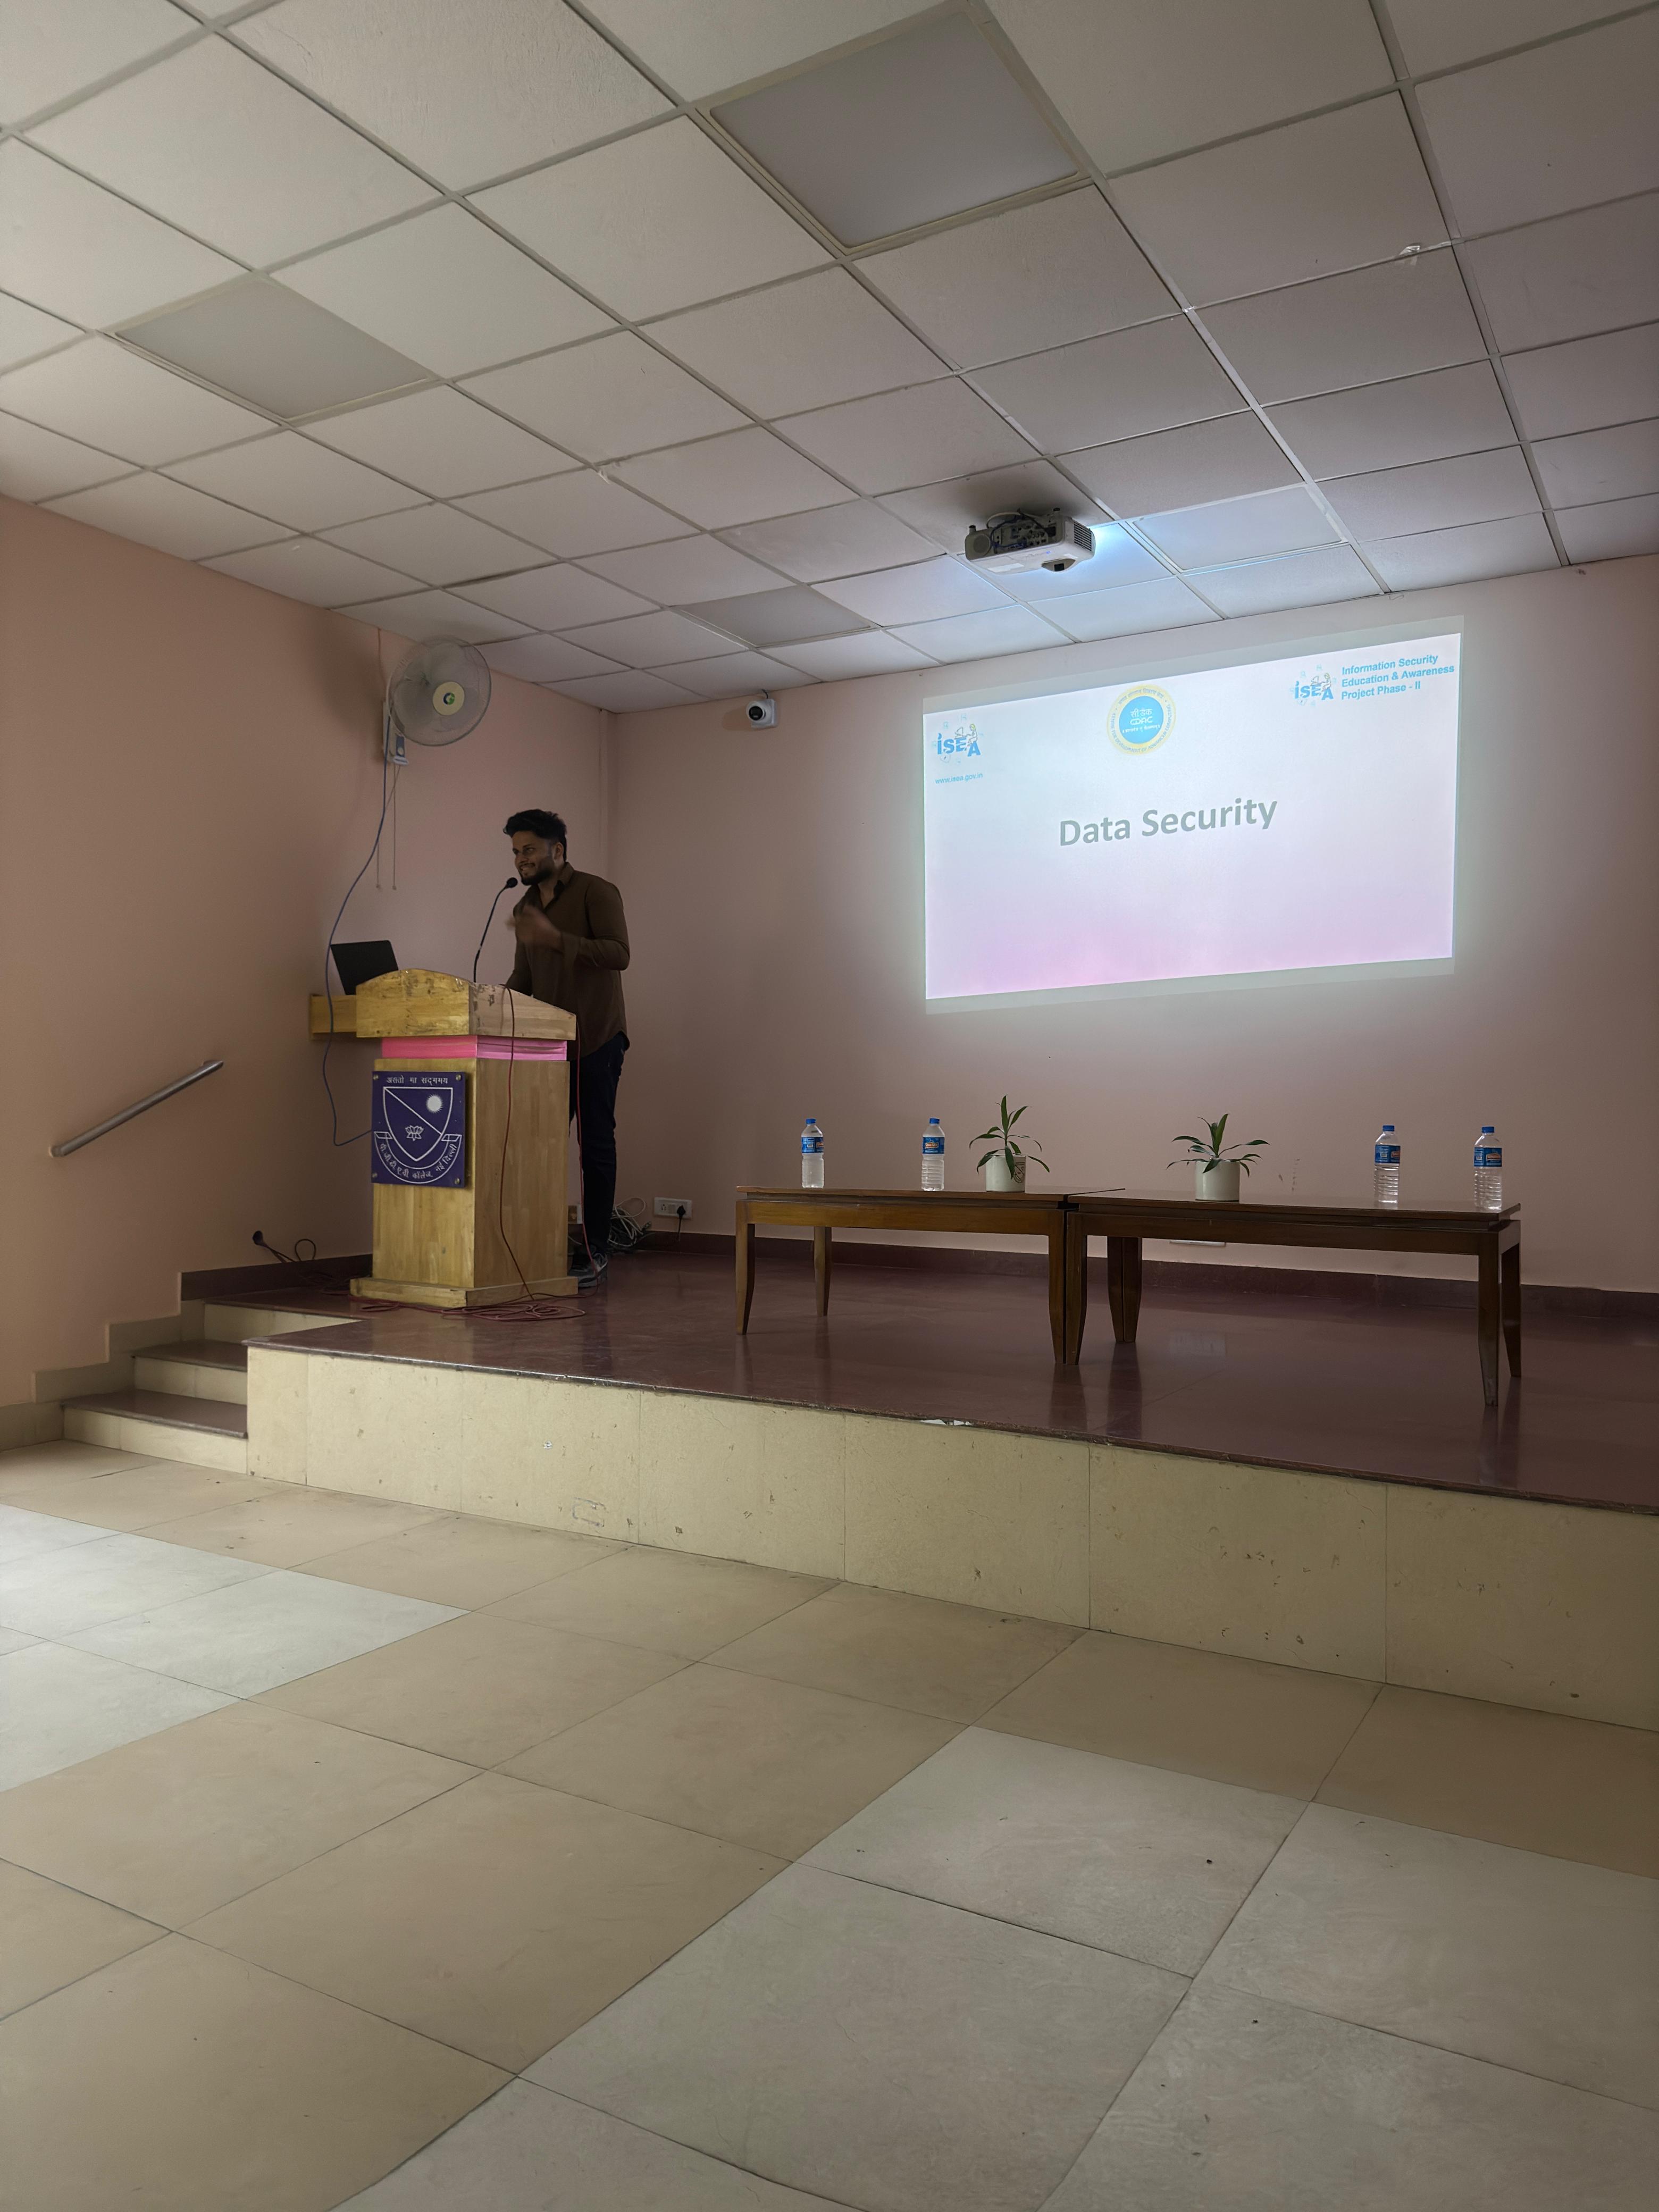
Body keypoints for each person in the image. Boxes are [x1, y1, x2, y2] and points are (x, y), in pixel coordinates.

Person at [502, 808, 630, 1287]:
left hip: (597, 1038)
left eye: (529, 850)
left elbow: (619, 953)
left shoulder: (597, 892)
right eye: (516, 852)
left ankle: (596, 1251)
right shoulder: (525, 907)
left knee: (593, 1147)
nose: (521, 860)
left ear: (557, 850)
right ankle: (539, 1247)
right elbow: (524, 978)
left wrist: (557, 939)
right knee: (539, 1146)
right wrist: (487, 1003)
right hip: (548, 1048)